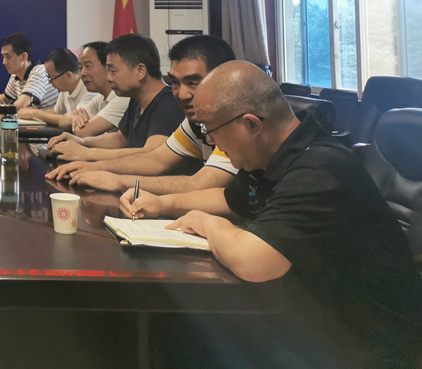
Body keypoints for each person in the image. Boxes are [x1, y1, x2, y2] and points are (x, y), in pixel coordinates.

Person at [121, 61, 422, 368]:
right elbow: (229, 199)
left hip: (368, 346)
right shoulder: (270, 154)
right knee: (176, 332)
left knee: (187, 341)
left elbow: (252, 261)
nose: (211, 141)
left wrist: (206, 222)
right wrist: (162, 203)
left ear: (251, 124)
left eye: (211, 131)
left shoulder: (319, 170)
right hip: (308, 316)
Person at [49, 35, 238, 193]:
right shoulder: (194, 123)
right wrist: (93, 165)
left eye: (193, 83)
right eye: (175, 82)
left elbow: (199, 184)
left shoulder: (234, 125)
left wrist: (117, 178)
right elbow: (155, 159)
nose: (182, 94)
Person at [44, 33, 182, 169]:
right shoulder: (136, 99)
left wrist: (87, 153)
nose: (109, 78)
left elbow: (150, 155)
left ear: (140, 71)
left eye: (113, 71)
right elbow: (121, 138)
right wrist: (82, 142)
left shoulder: (169, 103)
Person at [0, 32, 57, 110]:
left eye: (8, 57)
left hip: (51, 121)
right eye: (3, 57)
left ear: (23, 57)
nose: (4, 62)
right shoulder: (15, 75)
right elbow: (4, 99)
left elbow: (21, 105)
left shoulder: (40, 71)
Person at [17, 48, 97, 129]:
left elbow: (75, 119)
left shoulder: (89, 90)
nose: (49, 82)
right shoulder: (65, 89)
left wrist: (34, 113)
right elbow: (56, 112)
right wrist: (36, 112)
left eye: (51, 78)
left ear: (68, 75)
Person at [68, 41, 128, 137]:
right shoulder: (100, 99)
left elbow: (83, 132)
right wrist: (75, 118)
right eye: (80, 67)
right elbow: (65, 122)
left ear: (108, 66)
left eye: (88, 66)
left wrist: (75, 121)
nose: (82, 73)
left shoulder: (123, 98)